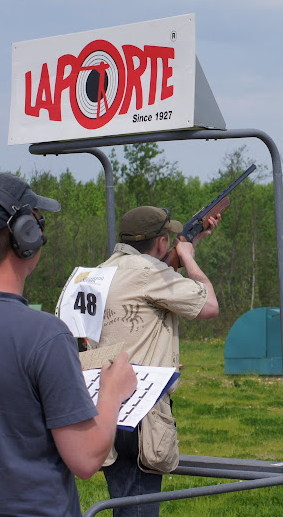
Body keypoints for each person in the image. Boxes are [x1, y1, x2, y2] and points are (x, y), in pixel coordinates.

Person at [0, 172, 138, 516]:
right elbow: (85, 458)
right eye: (37, 223)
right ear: (26, 236)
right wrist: (112, 392)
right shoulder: (45, 335)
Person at [88, 205, 220, 516]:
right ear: (161, 242)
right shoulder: (150, 273)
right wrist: (188, 257)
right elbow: (209, 305)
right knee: (138, 509)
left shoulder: (99, 273)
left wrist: (192, 241)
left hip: (102, 404)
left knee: (123, 503)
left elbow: (154, 287)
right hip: (141, 412)